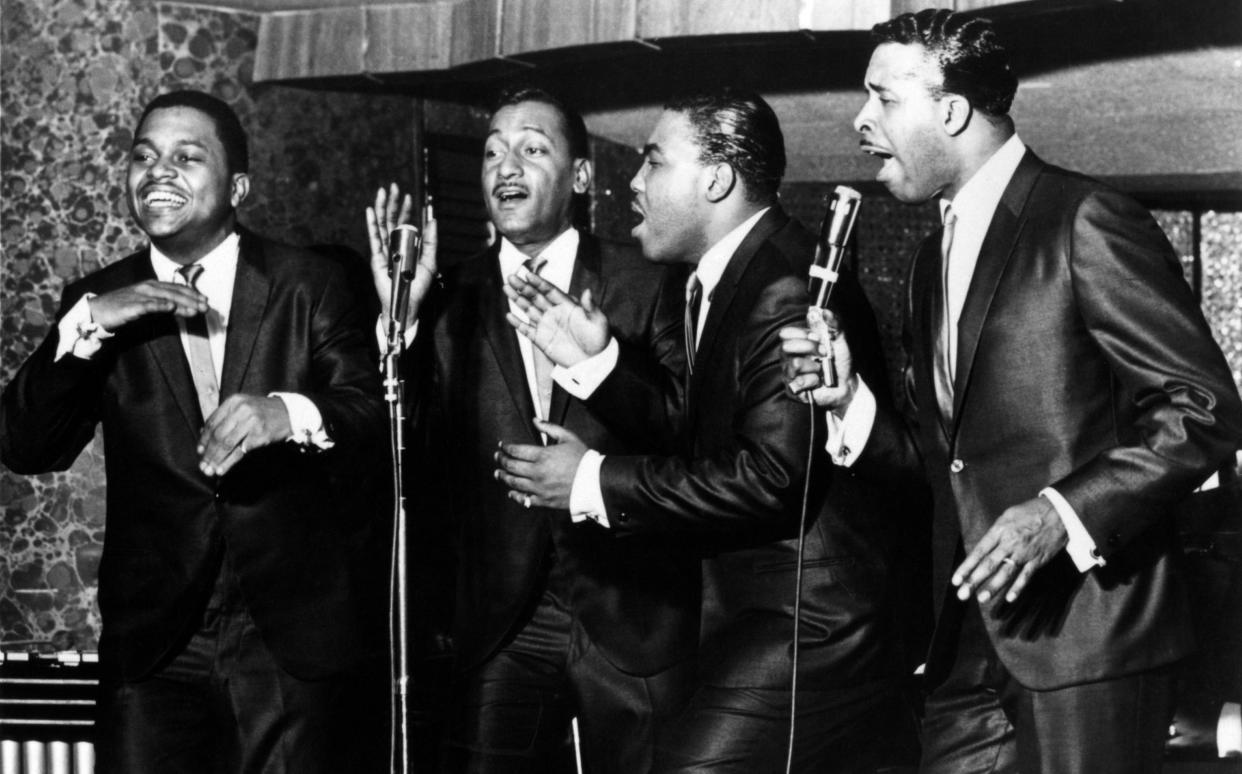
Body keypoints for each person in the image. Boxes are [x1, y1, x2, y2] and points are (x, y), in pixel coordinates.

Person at [780, 9, 1242, 773]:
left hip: (1090, 647)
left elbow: (1202, 406)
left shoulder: (1083, 218)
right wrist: (849, 402)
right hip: (964, 652)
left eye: (882, 98)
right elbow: (948, 463)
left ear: (953, 111)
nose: (860, 121)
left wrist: (1062, 515)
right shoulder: (931, 258)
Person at [495, 89, 909, 773]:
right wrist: (600, 365)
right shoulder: (729, 276)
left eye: (654, 162)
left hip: (810, 626)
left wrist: (592, 480)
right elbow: (703, 433)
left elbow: (770, 476)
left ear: (716, 180)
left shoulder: (784, 287)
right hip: (756, 620)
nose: (633, 181)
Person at [0, 90, 389, 772]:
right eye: (144, 156)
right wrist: (89, 325)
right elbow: (28, 443)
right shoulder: (97, 303)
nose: (158, 172)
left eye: (186, 156)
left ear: (237, 184)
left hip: (289, 640)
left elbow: (368, 417)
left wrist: (287, 413)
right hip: (154, 644)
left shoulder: (310, 283)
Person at [365, 85, 698, 773]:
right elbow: (408, 451)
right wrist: (400, 318)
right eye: (492, 152)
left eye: (532, 149)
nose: (505, 166)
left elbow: (685, 431)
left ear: (579, 176)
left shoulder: (651, 282)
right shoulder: (447, 297)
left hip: (632, 612)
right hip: (499, 626)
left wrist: (598, 409)